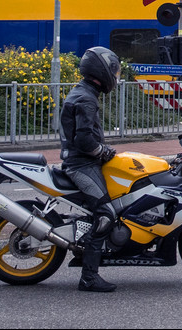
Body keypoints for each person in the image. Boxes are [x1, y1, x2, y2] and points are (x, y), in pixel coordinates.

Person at [60, 46, 122, 293]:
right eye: (114, 71)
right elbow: (85, 141)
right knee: (106, 214)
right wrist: (103, 152)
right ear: (103, 71)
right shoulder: (86, 99)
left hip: (80, 162)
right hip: (81, 165)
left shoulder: (83, 92)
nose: (116, 77)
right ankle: (89, 277)